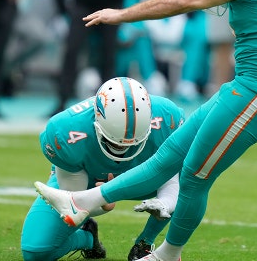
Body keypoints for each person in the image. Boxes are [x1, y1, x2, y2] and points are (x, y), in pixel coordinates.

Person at [32, 0, 257, 260]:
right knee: (168, 156)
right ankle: (81, 203)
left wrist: (122, 15)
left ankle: (166, 255)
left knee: (194, 177)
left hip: (256, 94)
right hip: (249, 90)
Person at [21, 77, 185, 261]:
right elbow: (74, 202)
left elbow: (172, 180)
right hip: (89, 180)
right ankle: (87, 238)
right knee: (35, 251)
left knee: (192, 177)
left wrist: (165, 203)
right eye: (113, 143)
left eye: (133, 143)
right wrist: (101, 202)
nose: (123, 150)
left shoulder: (167, 118)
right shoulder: (66, 131)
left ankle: (145, 243)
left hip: (150, 177)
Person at [49, 0, 152, 116]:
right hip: (84, 0)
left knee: (109, 54)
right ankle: (62, 101)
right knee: (72, 49)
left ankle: (108, 107)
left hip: (112, 0)